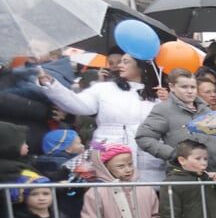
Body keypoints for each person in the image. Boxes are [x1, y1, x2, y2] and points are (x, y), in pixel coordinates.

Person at [36, 55, 165, 180]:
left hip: (149, 162)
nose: (120, 65)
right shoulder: (104, 89)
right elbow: (78, 104)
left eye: (126, 62)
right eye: (120, 62)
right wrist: (52, 86)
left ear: (141, 66)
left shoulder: (159, 94)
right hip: (108, 157)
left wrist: (168, 100)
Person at [137, 68, 216, 181]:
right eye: (184, 87)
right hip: (184, 175)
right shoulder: (163, 110)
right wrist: (174, 154)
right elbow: (143, 137)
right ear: (172, 87)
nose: (190, 91)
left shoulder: (206, 110)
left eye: (193, 87)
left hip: (215, 173)